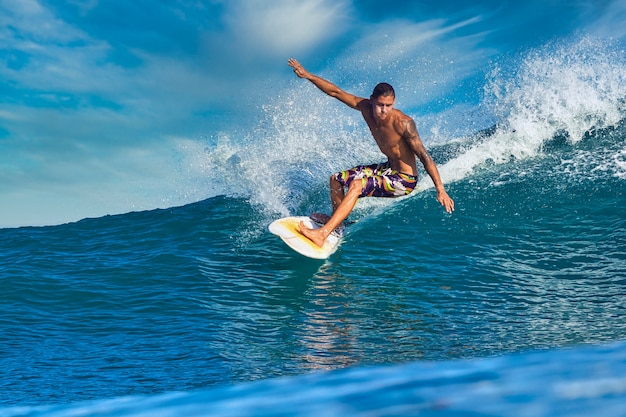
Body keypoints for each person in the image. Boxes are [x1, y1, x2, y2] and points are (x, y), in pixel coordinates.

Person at [287, 58, 455, 247]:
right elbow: (336, 92)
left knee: (357, 185)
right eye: (380, 104)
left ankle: (322, 234)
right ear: (372, 99)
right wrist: (308, 75)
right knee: (336, 179)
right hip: (388, 169)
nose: (384, 110)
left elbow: (424, 157)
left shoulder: (404, 124)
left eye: (389, 105)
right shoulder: (365, 107)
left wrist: (440, 190)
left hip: (404, 180)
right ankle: (337, 223)